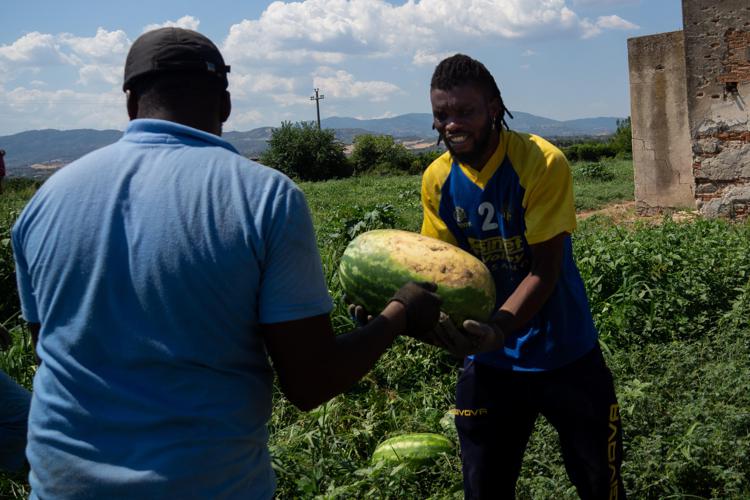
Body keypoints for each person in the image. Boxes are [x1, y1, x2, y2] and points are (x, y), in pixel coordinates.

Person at [11, 27, 445, 499]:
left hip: (61, 487)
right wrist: (400, 311)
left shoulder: (44, 202)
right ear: (226, 105)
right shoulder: (264, 197)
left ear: (131, 103)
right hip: (206, 485)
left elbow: (47, 351)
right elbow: (311, 381)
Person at [421, 54, 626, 499]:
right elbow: (440, 269)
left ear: (494, 107)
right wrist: (400, 312)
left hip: (565, 352)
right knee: (483, 488)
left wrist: (499, 327)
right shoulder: (437, 179)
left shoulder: (540, 162)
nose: (451, 125)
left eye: (465, 112)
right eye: (442, 114)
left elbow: (544, 269)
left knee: (600, 482)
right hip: (490, 362)